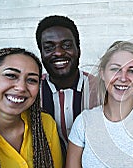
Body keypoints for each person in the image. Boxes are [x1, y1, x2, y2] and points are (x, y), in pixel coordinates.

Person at [35, 15, 98, 152]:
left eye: (66, 45)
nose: (58, 52)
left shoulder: (101, 89)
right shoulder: (31, 92)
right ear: (41, 53)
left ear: (78, 50)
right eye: (49, 47)